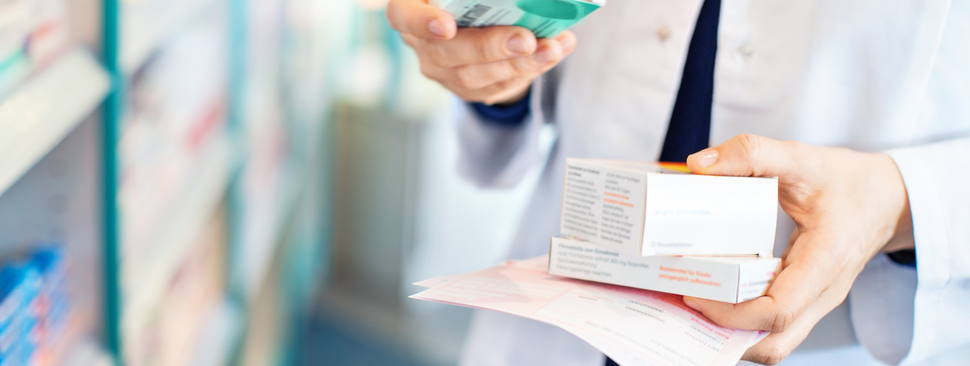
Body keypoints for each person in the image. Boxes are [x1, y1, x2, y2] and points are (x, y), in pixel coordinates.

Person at [387, 0, 970, 365]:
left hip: (846, 333)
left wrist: (896, 202)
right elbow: (542, 71)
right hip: (558, 313)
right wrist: (491, 68)